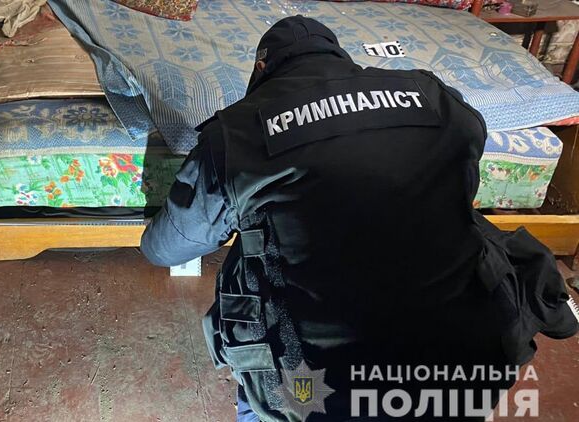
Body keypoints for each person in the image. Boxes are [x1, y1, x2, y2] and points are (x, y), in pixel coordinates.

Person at [141, 16, 578, 421]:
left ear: (261, 68)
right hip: (466, 368)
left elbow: (169, 247)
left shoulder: (236, 132)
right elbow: (469, 145)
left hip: (320, 395)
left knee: (254, 255)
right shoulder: (430, 93)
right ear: (339, 55)